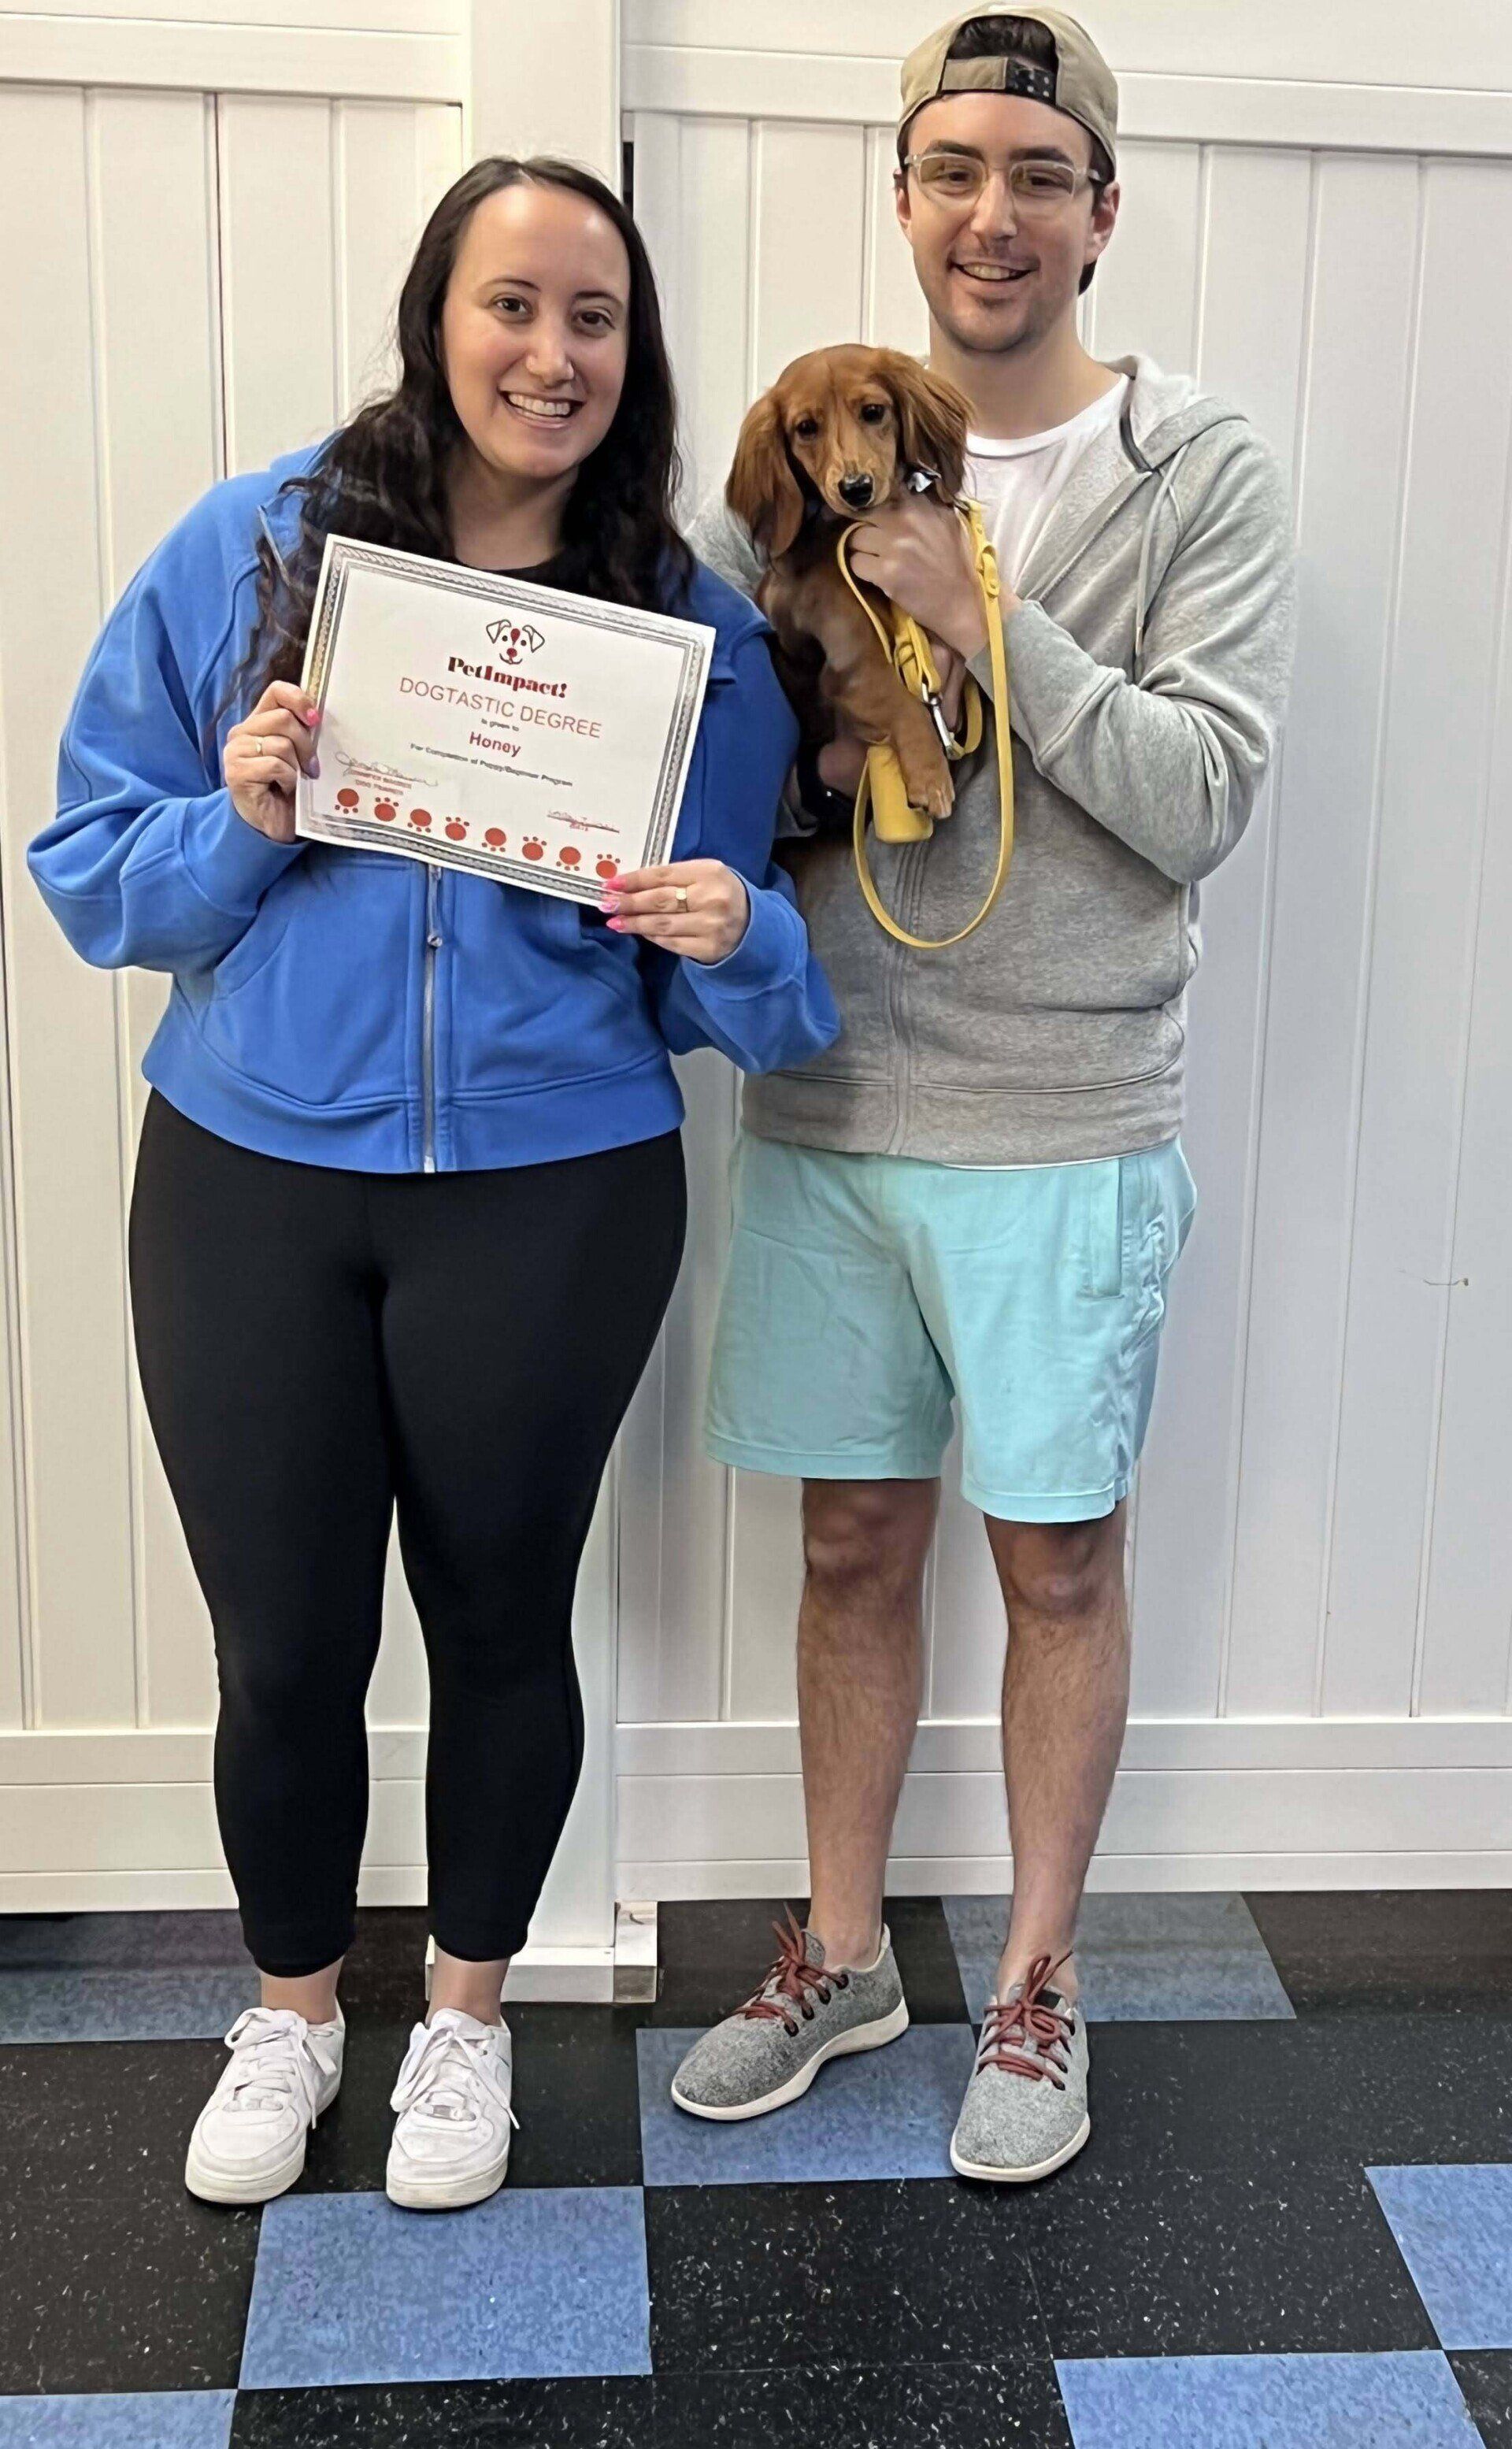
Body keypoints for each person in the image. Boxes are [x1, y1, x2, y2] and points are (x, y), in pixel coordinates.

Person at [29, 154, 838, 2214]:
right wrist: (240, 821)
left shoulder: (690, 632)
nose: (548, 353)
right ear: (436, 315)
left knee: (499, 1624)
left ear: (630, 355)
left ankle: (461, 2024)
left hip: (555, 1193)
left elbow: (765, 1007)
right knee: (282, 1650)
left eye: (593, 317)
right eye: (510, 305)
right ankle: (297, 2013)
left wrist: (728, 934)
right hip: (249, 1183)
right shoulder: (256, 550)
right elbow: (85, 871)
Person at [674, 6, 1296, 2181]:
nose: (994, 210)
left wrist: (981, 616)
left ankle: (1034, 1986)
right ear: (908, 198)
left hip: (1059, 1116)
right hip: (837, 1103)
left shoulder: (1188, 470)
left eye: (1040, 172)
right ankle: (842, 1951)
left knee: (1055, 1564)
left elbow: (1202, 796)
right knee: (851, 1541)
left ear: (1100, 212)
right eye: (954, 168)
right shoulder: (788, 493)